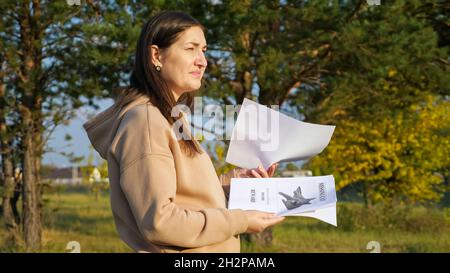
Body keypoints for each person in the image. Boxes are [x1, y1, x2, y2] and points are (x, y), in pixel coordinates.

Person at [83, 10, 284, 253]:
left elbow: (180, 198)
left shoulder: (166, 117)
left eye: (204, 50)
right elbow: (160, 222)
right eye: (191, 48)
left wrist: (228, 185)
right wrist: (240, 220)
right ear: (156, 55)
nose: (202, 60)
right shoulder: (146, 122)